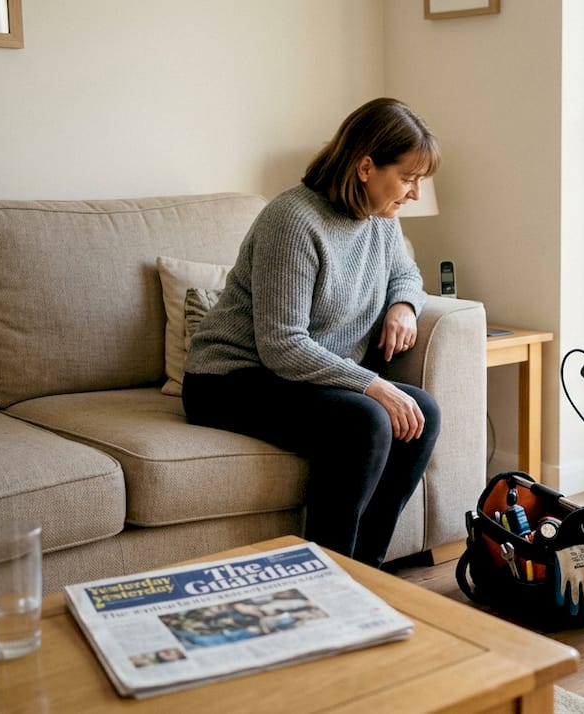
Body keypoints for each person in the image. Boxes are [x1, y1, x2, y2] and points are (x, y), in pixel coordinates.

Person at [183, 97, 441, 568]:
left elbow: (407, 274)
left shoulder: (381, 220)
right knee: (367, 420)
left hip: (297, 376)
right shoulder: (293, 220)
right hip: (231, 379)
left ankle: (366, 573)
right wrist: (372, 384)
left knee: (423, 414)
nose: (415, 193)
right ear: (365, 167)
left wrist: (403, 307)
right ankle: (326, 574)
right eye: (407, 178)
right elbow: (282, 345)